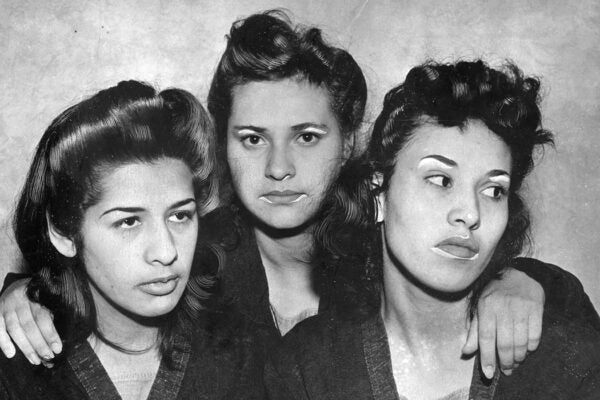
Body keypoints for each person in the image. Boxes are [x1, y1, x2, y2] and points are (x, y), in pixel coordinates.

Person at [0, 10, 590, 377]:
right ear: (223, 145)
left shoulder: (393, 244)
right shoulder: (184, 252)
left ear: (350, 143)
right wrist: (23, 293)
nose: (279, 168)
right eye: (252, 138)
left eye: (307, 137)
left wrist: (518, 282)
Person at [264, 60, 600, 399]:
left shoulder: (566, 361)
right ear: (378, 194)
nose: (470, 213)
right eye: (441, 180)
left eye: (494, 190)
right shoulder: (305, 367)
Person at [0, 81, 266, 399]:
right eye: (129, 222)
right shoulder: (14, 367)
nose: (167, 252)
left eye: (180, 216)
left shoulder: (237, 355)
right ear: (63, 234)